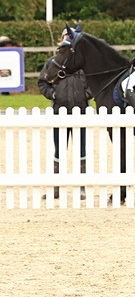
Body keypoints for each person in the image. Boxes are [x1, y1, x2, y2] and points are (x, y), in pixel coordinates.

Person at [38, 29, 91, 197]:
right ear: (61, 39)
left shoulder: (83, 64)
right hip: (59, 111)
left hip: (80, 110)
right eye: (66, 37)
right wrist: (54, 94)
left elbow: (93, 83)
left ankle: (81, 187)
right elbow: (42, 82)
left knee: (81, 149)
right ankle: (56, 187)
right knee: (59, 150)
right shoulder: (52, 62)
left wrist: (85, 95)